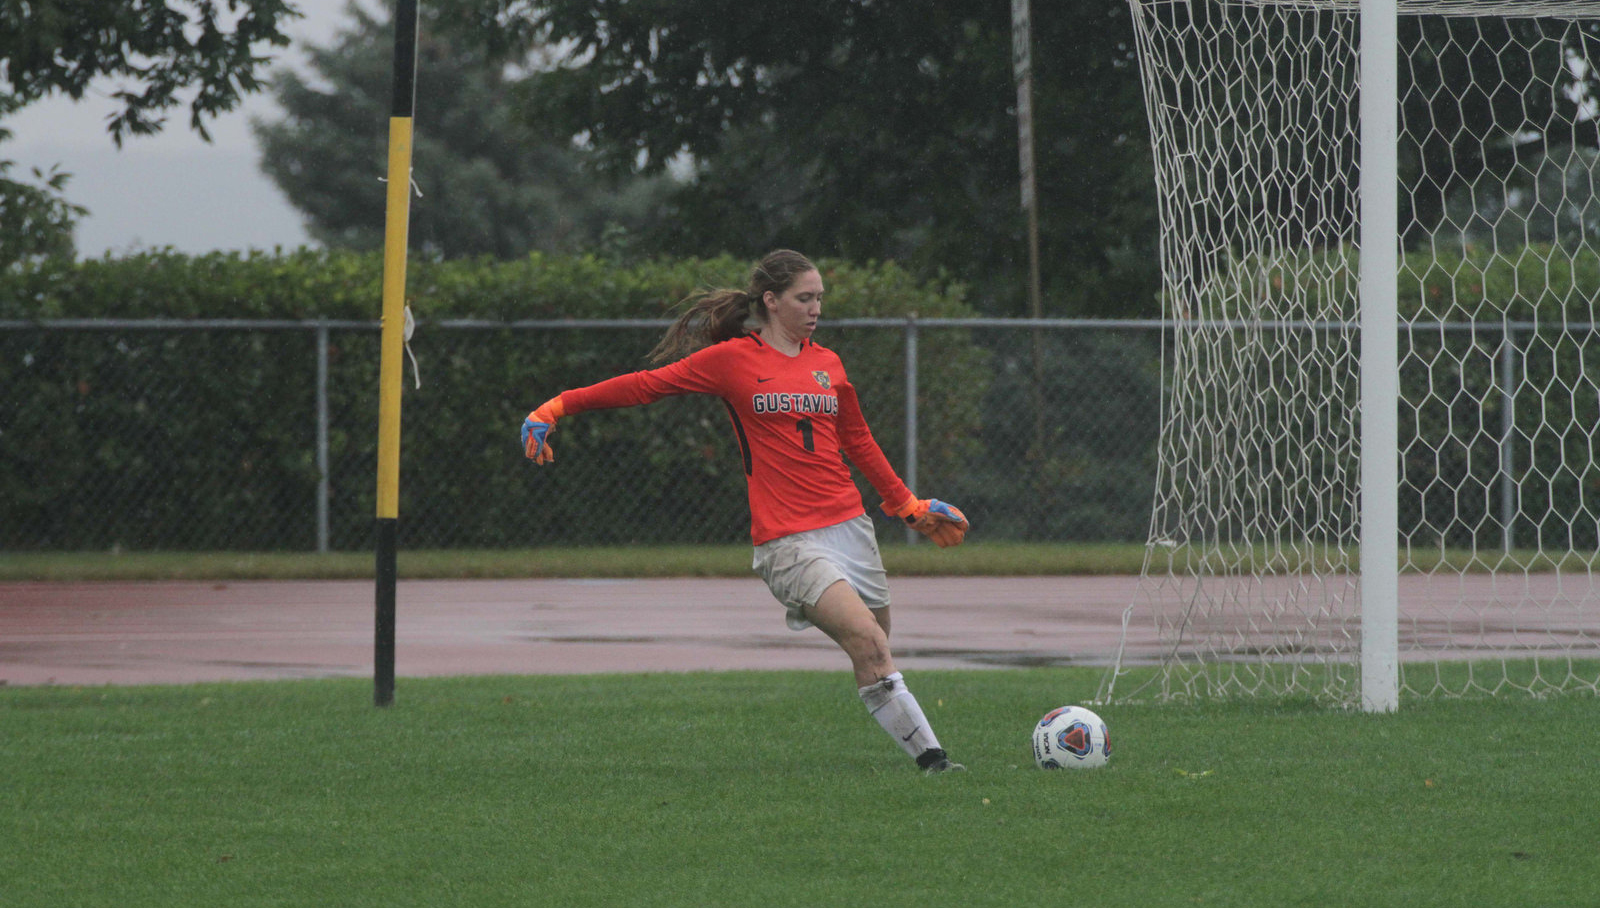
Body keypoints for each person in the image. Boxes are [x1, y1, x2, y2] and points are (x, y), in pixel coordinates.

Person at [519, 249, 971, 774]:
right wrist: (557, 406)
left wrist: (907, 506)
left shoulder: (829, 364)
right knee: (870, 642)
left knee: (876, 650)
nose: (816, 307)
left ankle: (924, 757)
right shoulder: (731, 360)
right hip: (788, 541)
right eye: (805, 298)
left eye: (820, 297)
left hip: (850, 528)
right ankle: (935, 764)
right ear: (771, 301)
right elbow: (645, 386)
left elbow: (858, 439)